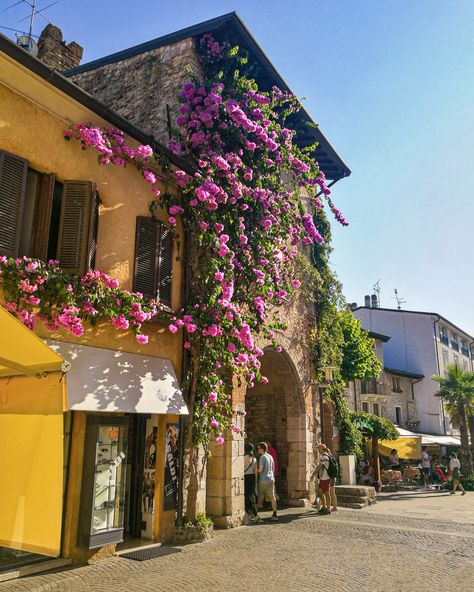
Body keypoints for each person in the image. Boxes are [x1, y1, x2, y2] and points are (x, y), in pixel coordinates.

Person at [257, 442, 278, 521]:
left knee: (260, 496)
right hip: (271, 479)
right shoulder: (270, 456)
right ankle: (275, 514)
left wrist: (256, 470)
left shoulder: (262, 457)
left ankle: (256, 514)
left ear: (262, 449)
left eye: (259, 448)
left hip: (263, 480)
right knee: (272, 497)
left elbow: (260, 470)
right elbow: (273, 469)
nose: (258, 450)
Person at [244, 443, 260, 521]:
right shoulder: (254, 459)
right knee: (251, 496)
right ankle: (252, 514)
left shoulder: (242, 458)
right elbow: (255, 472)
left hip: (245, 477)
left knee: (246, 496)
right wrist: (256, 482)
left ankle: (251, 514)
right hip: (252, 478)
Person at [316, 443, 332, 515]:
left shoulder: (325, 457)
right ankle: (324, 507)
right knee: (320, 492)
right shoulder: (324, 456)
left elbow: (319, 467)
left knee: (327, 494)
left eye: (319, 448)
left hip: (325, 478)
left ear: (322, 449)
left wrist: (313, 474)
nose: (318, 450)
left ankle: (328, 509)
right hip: (323, 478)